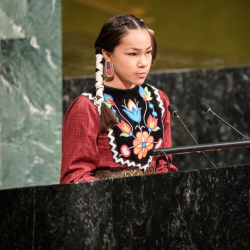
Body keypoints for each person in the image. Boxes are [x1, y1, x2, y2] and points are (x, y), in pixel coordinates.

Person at [60, 14, 178, 183]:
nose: (143, 62)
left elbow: (163, 164)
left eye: (148, 52)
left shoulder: (158, 99)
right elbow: (75, 177)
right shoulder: (87, 106)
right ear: (107, 55)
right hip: (108, 205)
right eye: (132, 54)